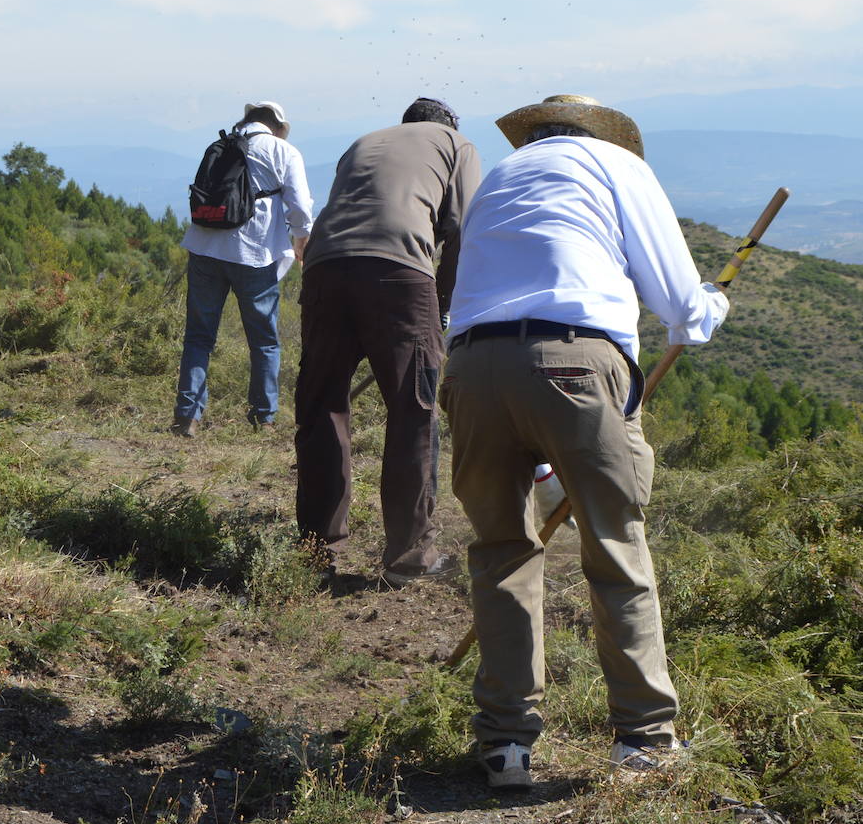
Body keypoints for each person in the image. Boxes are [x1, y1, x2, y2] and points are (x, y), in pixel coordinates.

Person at [440, 94, 729, 789]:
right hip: (575, 362)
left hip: (473, 367)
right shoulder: (616, 164)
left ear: (535, 133)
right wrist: (712, 304)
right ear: (603, 133)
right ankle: (645, 739)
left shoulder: (501, 180)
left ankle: (505, 745)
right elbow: (681, 307)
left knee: (503, 551)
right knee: (614, 545)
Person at [294, 98, 480, 586]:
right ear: (449, 125)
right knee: (412, 413)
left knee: (321, 408)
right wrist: (444, 308)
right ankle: (409, 557)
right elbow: (462, 230)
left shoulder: (364, 142)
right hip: (399, 274)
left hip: (324, 269)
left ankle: (316, 552)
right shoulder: (456, 145)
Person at [172, 101, 314, 436]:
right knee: (264, 340)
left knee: (198, 336)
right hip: (255, 253)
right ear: (277, 126)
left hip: (205, 247)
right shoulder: (283, 151)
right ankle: (263, 418)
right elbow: (300, 205)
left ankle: (187, 417)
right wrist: (301, 240)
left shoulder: (220, 145)